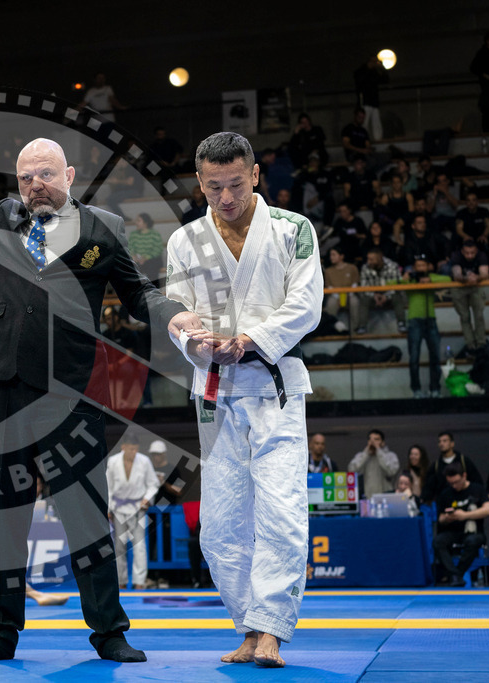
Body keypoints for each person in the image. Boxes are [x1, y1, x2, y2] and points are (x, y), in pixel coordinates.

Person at [0, 122, 201, 665]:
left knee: (87, 513)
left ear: (69, 175)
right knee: (6, 512)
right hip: (5, 386)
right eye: (24, 177)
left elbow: (139, 297)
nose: (34, 183)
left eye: (44, 174)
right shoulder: (0, 219)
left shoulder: (103, 228)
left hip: (73, 391)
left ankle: (110, 631)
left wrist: (177, 315)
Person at [165, 131, 323, 668]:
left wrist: (249, 340)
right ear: (199, 184)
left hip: (275, 388)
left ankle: (273, 629)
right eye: (214, 188)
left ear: (255, 175)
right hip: (214, 393)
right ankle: (249, 627)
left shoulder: (292, 230)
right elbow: (176, 312)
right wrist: (190, 336)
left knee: (280, 511)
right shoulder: (184, 241)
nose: (226, 198)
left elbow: (306, 305)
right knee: (220, 526)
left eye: (235, 184)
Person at [106, 433, 159, 590]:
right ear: (123, 447)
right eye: (130, 449)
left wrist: (147, 498)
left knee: (139, 545)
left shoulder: (144, 461)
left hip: (138, 509)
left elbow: (153, 484)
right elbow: (107, 487)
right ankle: (121, 581)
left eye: (135, 449)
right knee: (120, 547)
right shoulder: (113, 461)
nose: (133, 452)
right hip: (118, 508)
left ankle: (139, 582)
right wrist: (108, 509)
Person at [433, 462, 489, 586]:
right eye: (451, 483)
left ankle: (456, 575)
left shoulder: (477, 489)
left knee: (473, 541)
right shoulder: (446, 493)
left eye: (456, 482)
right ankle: (455, 574)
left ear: (464, 476)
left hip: (474, 532)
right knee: (438, 542)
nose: (454, 486)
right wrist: (448, 518)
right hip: (453, 532)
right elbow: (440, 519)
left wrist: (464, 515)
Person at [400, 256, 450, 398]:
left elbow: (448, 280)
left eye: (423, 265)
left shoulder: (431, 277)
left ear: (428, 267)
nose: (421, 268)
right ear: (414, 268)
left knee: (435, 357)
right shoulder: (410, 278)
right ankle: (416, 390)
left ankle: (435, 389)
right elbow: (390, 284)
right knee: (414, 358)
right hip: (414, 321)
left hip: (430, 320)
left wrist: (431, 280)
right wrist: (405, 278)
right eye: (418, 266)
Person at [449, 241, 489, 358]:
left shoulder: (481, 255)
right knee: (465, 317)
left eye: (472, 253)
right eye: (467, 253)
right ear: (462, 251)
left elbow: (484, 273)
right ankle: (470, 345)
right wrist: (467, 278)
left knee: (479, 316)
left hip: (476, 286)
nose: (470, 256)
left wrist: (476, 277)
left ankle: (481, 344)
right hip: (459, 287)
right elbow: (457, 274)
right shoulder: (456, 255)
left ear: (476, 251)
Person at [422, 431, 485, 503]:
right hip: (445, 501)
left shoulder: (463, 461)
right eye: (439, 441)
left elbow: (476, 481)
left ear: (452, 444)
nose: (441, 444)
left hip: (465, 499)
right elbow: (429, 488)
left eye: (445, 441)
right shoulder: (436, 466)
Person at [356, 247, 405, 335]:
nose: (368, 261)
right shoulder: (365, 267)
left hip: (389, 295)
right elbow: (364, 287)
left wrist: (386, 296)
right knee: (363, 299)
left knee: (397, 296)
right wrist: (374, 296)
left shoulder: (392, 266)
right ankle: (362, 326)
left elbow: (396, 286)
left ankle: (402, 323)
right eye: (368, 259)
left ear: (379, 259)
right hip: (373, 296)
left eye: (371, 259)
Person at [348, 430, 401, 498]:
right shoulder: (362, 456)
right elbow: (352, 470)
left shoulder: (390, 456)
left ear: (383, 442)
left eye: (376, 439)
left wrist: (378, 450)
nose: (373, 442)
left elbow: (391, 471)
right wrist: (366, 453)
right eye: (371, 440)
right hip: (368, 497)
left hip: (386, 497)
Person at [354, 56, 388, 141]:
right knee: (364, 122)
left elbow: (385, 80)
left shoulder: (375, 72)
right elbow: (358, 79)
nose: (374, 64)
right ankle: (363, 140)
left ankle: (378, 139)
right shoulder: (362, 71)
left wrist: (382, 69)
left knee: (376, 123)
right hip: (365, 102)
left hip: (374, 102)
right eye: (373, 62)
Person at [323, 246, 360, 324]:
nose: (331, 257)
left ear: (341, 256)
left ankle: (356, 329)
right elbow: (328, 286)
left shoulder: (352, 268)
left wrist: (347, 295)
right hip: (335, 296)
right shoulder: (328, 271)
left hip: (350, 295)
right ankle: (330, 328)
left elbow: (355, 283)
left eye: (334, 255)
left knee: (354, 301)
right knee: (331, 303)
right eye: (330, 255)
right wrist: (338, 297)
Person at [469, 30, 489, 133]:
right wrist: (487, 76)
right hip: (488, 88)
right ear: (488, 41)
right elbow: (474, 68)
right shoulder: (482, 53)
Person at [129, 213, 164, 283]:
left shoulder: (155, 234)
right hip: (138, 260)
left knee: (152, 266)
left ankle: (154, 290)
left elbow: (158, 249)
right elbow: (130, 247)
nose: (136, 223)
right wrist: (133, 256)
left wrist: (146, 258)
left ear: (145, 223)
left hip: (152, 259)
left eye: (138, 221)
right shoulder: (133, 234)